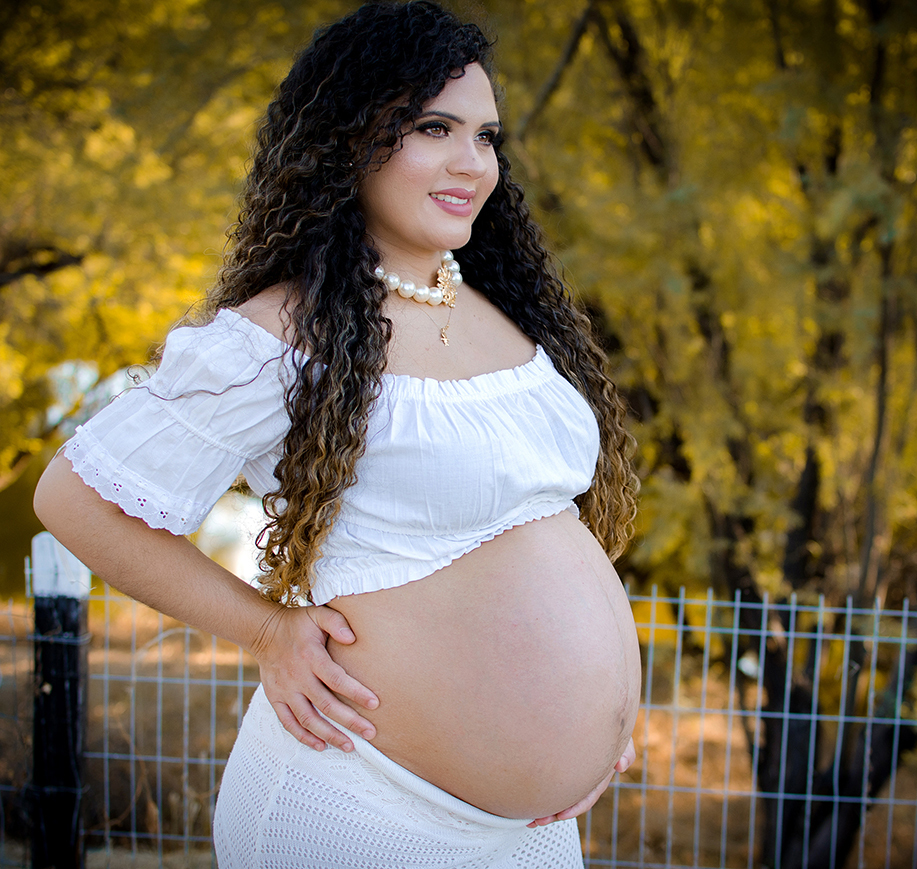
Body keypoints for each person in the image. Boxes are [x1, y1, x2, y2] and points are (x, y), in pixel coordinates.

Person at [33, 1, 641, 865]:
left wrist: (595, 714)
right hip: (359, 806)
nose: (472, 162)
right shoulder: (280, 336)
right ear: (348, 139)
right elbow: (74, 500)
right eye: (434, 128)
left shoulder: (510, 315)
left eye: (486, 136)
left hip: (530, 833)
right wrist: (267, 631)